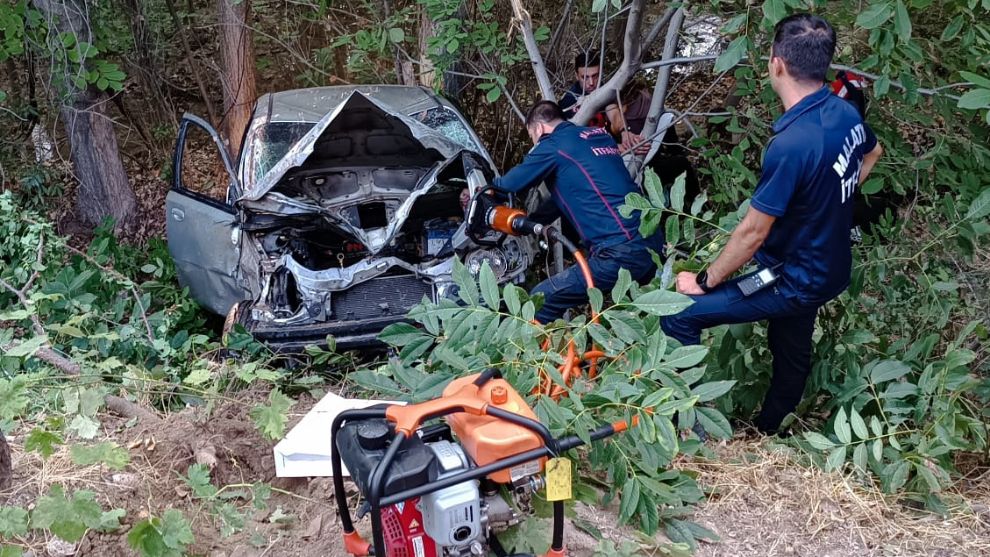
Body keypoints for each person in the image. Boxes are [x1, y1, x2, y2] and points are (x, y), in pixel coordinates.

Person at [660, 14, 883, 434]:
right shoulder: (843, 112)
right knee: (791, 348)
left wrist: (705, 280)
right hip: (827, 267)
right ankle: (768, 430)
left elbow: (752, 232)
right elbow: (872, 153)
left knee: (681, 316)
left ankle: (688, 429)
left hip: (792, 277)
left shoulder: (792, 145)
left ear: (775, 63)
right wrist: (831, 202)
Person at [493, 101, 663, 323]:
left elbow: (506, 185)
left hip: (619, 253)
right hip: (652, 241)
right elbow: (574, 192)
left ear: (538, 129)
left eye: (531, 136)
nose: (534, 142)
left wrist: (478, 192)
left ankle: (548, 356)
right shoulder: (597, 136)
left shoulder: (553, 145)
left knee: (540, 299)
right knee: (639, 315)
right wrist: (532, 224)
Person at [604, 79, 700, 200]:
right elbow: (675, 149)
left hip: (647, 165)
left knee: (679, 162)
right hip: (632, 175)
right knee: (682, 163)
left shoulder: (656, 116)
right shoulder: (614, 120)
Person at [559, 53, 609, 129]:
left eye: (595, 76)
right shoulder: (569, 101)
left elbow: (614, 112)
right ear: (576, 76)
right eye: (585, 77)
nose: (591, 83)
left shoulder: (607, 89)